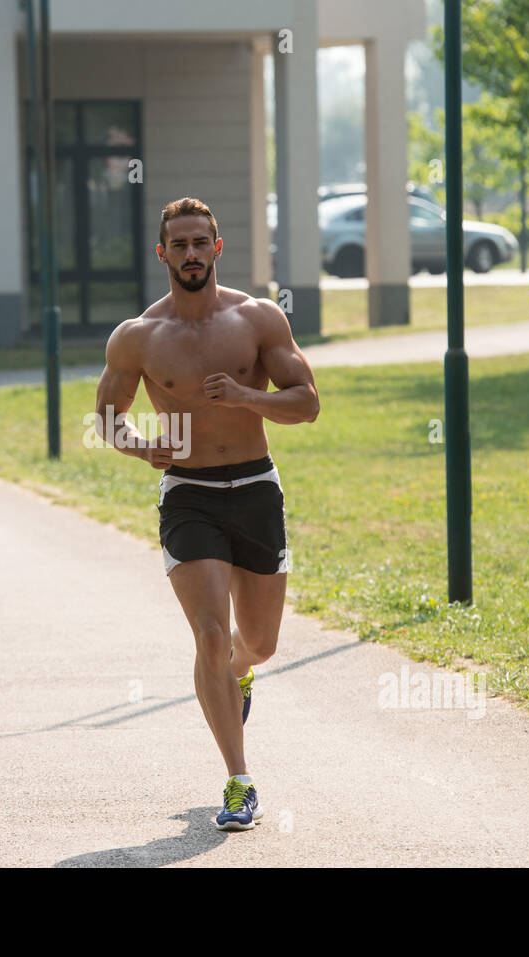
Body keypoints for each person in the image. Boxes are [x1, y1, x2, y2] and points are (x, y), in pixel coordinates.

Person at [93, 197, 320, 831]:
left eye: (201, 243)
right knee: (210, 636)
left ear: (217, 249)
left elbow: (307, 403)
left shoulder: (257, 318)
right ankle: (239, 781)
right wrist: (140, 448)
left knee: (260, 644)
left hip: (255, 489)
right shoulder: (137, 336)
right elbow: (106, 415)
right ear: (161, 253)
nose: (190, 254)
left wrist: (249, 396)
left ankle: (240, 676)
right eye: (179, 244)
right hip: (187, 492)